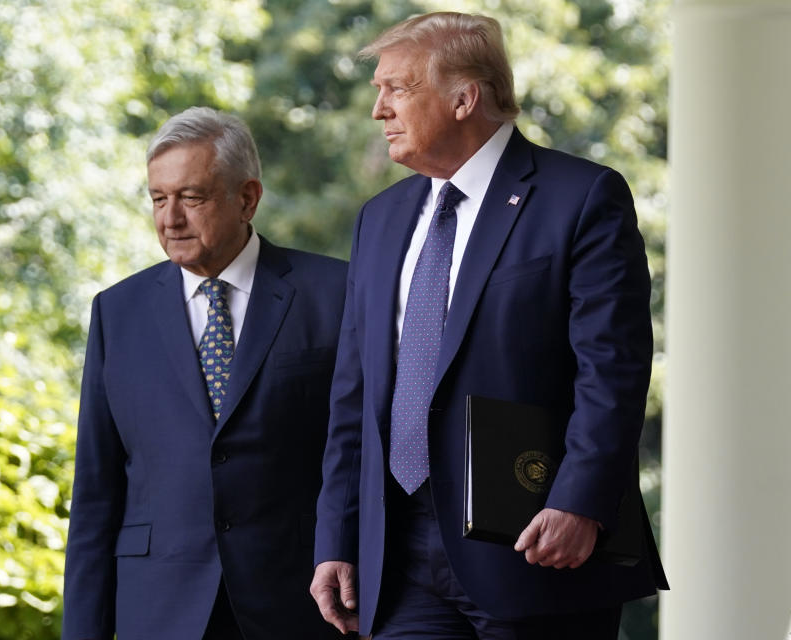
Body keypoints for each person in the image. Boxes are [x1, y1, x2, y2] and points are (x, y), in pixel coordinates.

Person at [310, 12, 667, 639]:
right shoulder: (380, 218)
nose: (379, 110)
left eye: (397, 88)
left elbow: (611, 369)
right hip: (398, 556)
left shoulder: (582, 197)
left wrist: (579, 500)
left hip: (537, 543)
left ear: (463, 98)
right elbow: (354, 393)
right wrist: (337, 537)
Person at [63, 107, 347, 640]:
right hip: (158, 608)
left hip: (301, 604)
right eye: (158, 199)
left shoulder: (336, 294)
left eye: (190, 198)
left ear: (247, 198)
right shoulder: (116, 313)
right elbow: (96, 492)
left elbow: (359, 454)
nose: (170, 219)